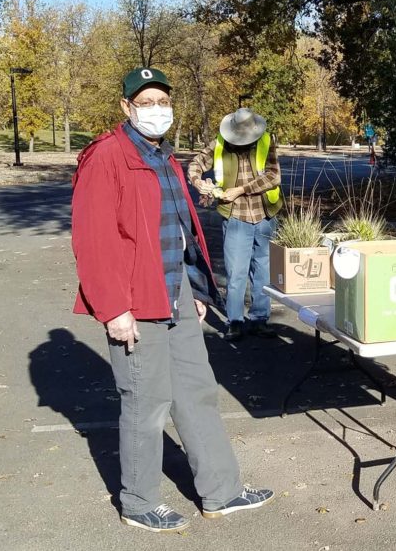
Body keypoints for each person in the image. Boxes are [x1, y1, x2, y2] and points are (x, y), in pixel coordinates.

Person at [71, 67, 272, 532]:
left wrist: (195, 289)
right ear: (126, 108)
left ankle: (221, 492)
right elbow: (94, 240)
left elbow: (182, 228)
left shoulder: (165, 157)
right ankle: (139, 502)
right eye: (146, 102)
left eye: (162, 100)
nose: (157, 109)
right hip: (134, 300)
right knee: (146, 398)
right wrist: (113, 308)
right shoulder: (107, 157)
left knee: (197, 391)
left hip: (175, 290)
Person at [187, 108, 282, 341]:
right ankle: (235, 321)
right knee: (236, 272)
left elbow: (273, 176)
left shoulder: (267, 141)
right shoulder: (219, 142)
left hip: (264, 215)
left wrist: (241, 189)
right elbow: (195, 164)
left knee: (262, 270)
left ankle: (260, 319)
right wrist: (198, 182)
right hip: (235, 215)